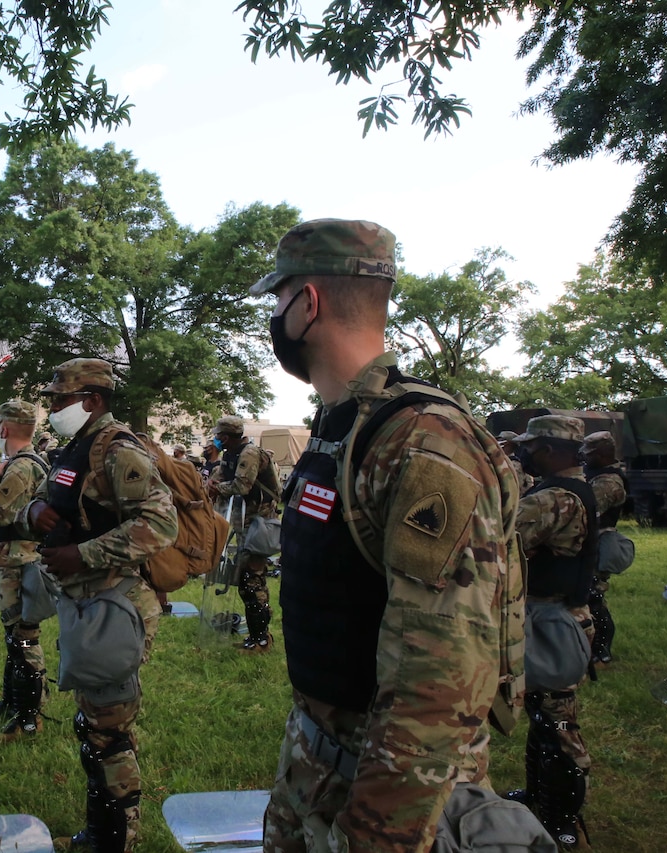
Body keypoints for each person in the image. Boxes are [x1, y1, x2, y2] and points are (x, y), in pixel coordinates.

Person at [249, 219, 517, 851]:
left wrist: (377, 832)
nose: (275, 316)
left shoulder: (421, 441)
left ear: (306, 303)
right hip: (322, 764)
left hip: (388, 794)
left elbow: (442, 675)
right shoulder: (343, 426)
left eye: (278, 299)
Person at [22, 357, 178, 853]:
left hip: (117, 603)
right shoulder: (77, 447)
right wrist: (34, 512)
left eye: (61, 400)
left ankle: (114, 841)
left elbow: (160, 524)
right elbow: (53, 503)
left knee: (109, 733)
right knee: (94, 725)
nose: (53, 409)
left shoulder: (119, 450)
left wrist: (82, 554)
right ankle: (100, 833)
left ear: (92, 400)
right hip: (86, 600)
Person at [510, 415, 598, 849]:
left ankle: (564, 824)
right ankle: (539, 801)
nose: (524, 451)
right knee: (543, 718)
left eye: (530, 445)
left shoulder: (554, 499)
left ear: (549, 448)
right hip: (557, 618)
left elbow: (499, 538)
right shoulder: (575, 488)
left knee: (558, 726)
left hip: (551, 623)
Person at [0, 401, 51, 737]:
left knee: (24, 639)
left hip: (21, 562)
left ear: (5, 429)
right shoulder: (27, 462)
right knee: (14, 637)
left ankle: (29, 715)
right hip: (15, 559)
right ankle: (13, 700)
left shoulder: (20, 468)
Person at [207, 414, 280, 652]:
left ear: (225, 436)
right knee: (246, 579)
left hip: (257, 526)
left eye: (218, 435)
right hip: (243, 526)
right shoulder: (230, 456)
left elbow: (241, 486)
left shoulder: (249, 453)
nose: (216, 439)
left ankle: (260, 639)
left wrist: (217, 488)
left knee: (251, 580)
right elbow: (217, 481)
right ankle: (258, 634)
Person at [582, 430, 629, 665]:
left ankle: (602, 647)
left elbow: (588, 509)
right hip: (588, 542)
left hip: (598, 544)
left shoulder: (610, 481)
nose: (584, 458)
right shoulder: (595, 474)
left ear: (602, 455)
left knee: (594, 596)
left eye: (589, 454)